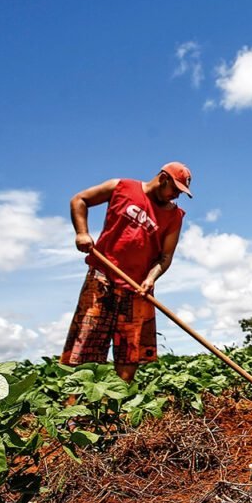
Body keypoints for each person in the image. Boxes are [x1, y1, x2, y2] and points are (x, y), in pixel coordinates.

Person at [60, 162, 190, 382]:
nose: (176, 195)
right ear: (163, 178)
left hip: (138, 289)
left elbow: (165, 257)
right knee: (86, 349)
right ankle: (78, 413)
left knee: (130, 356)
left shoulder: (174, 216)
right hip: (102, 277)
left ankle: (116, 410)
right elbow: (79, 200)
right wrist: (82, 233)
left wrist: (150, 279)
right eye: (175, 189)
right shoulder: (121, 187)